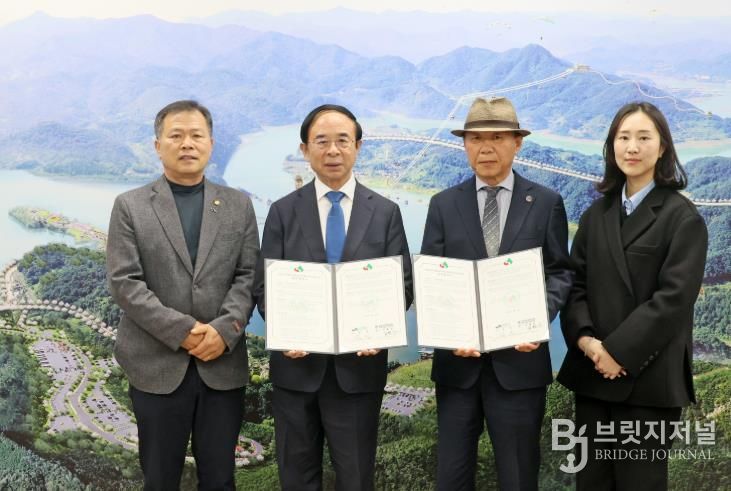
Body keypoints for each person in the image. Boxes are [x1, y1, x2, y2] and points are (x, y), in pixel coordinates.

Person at [254, 104, 413, 490]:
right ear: (305, 150)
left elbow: (403, 284)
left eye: (343, 140)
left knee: (356, 478)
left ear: (358, 146)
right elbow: (264, 285)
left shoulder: (386, 212)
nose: (332, 151)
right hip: (296, 371)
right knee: (296, 477)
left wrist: (380, 330)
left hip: (358, 372)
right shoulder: (283, 212)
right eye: (321, 141)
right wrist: (285, 329)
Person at [106, 100, 260, 490]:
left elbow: (248, 276)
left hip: (221, 365)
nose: (187, 144)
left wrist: (223, 331)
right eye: (176, 135)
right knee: (159, 478)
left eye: (196, 135)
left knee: (220, 479)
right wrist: (185, 332)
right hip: (155, 365)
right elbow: (125, 283)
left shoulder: (239, 205)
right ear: (158, 145)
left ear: (211, 144)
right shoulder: (130, 206)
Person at [420, 96, 572, 491]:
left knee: (518, 476)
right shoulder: (443, 205)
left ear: (517, 143)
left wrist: (537, 319)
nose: (486, 148)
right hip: (457, 370)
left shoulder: (546, 203)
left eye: (498, 138)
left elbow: (559, 273)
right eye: (475, 139)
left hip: (519, 368)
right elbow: (431, 279)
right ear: (464, 144)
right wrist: (448, 332)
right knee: (452, 476)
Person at [557, 101, 708, 490]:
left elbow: (673, 299)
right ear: (612, 146)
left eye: (644, 137)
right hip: (593, 376)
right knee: (591, 483)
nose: (632, 147)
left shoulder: (682, 217)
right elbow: (575, 285)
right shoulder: (596, 215)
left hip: (649, 382)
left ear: (663, 147)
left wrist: (617, 353)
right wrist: (588, 343)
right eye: (623, 138)